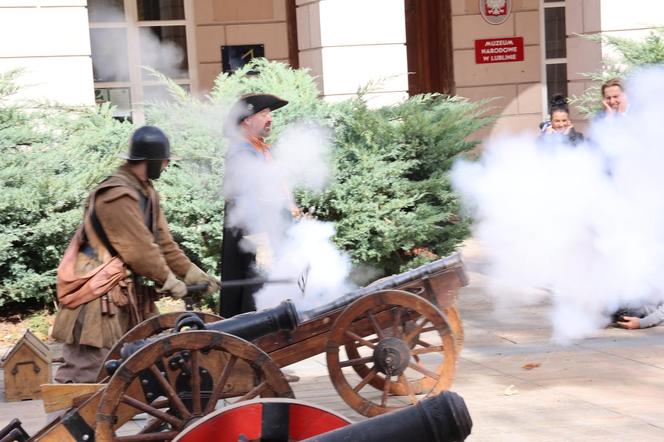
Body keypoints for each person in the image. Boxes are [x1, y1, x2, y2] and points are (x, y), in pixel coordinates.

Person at [51, 126, 219, 383]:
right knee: (86, 373)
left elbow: (163, 243)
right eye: (164, 160)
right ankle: (60, 421)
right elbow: (139, 250)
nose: (166, 165)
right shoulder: (115, 195)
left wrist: (192, 273)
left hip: (127, 296)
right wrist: (171, 281)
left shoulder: (146, 192)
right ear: (150, 161)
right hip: (98, 297)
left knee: (137, 368)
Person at [219, 93, 292, 318]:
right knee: (253, 304)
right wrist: (262, 244)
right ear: (247, 120)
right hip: (255, 239)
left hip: (269, 234)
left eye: (269, 113)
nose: (270, 118)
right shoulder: (241, 152)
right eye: (263, 113)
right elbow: (245, 204)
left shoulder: (259, 149)